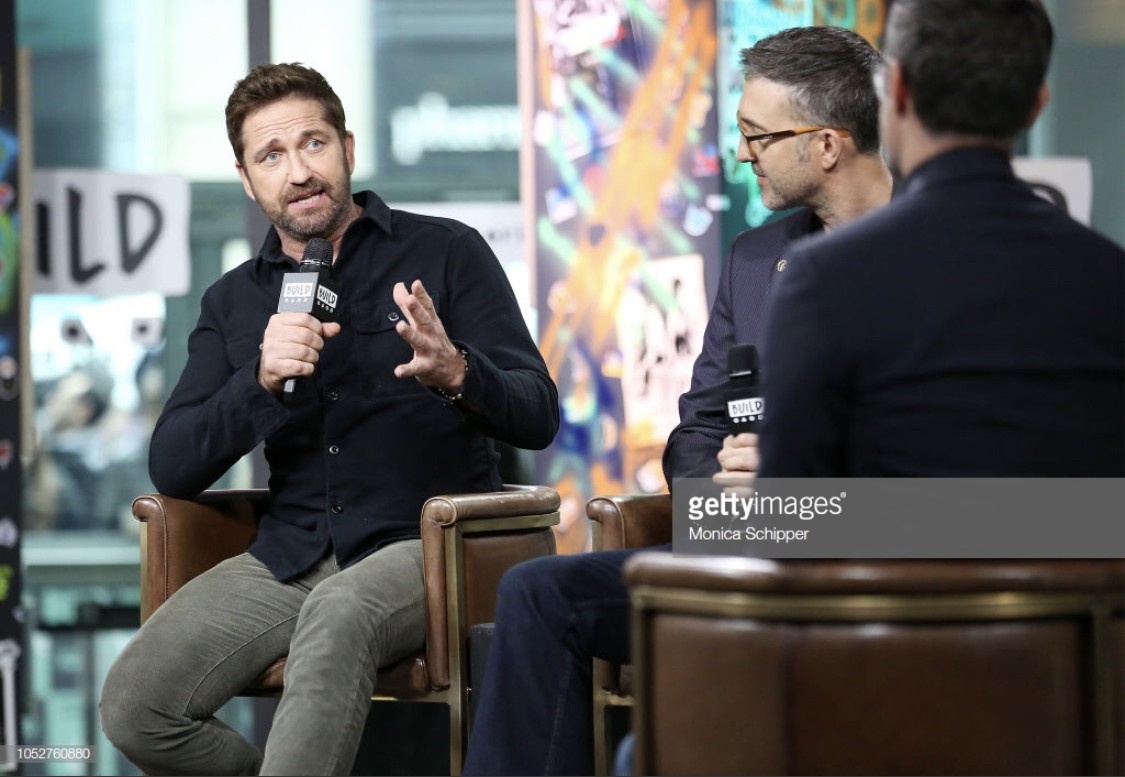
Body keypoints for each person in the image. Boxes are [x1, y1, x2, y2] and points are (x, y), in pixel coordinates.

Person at [99, 63, 559, 776]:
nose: (298, 172)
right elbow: (174, 465)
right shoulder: (232, 301)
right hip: (290, 554)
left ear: (346, 147)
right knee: (136, 704)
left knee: (339, 610)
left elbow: (538, 413)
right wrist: (258, 378)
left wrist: (458, 371)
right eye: (271, 155)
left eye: (313, 144)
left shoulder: (445, 250)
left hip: (425, 545)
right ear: (247, 179)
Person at [463, 26, 892, 776]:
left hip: (872, 542)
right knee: (536, 590)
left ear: (827, 144)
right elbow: (697, 428)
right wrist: (725, 499)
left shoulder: (937, 253)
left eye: (758, 135)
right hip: (748, 537)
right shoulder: (755, 260)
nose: (742, 153)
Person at [758, 0, 1124, 478]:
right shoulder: (1110, 277)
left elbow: (791, 508)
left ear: (897, 90)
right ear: (1036, 105)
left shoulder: (823, 278)